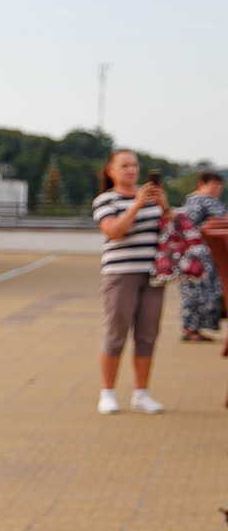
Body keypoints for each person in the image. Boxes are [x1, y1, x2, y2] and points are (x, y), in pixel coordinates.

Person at [92, 150, 166, 414]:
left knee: (147, 335)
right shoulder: (106, 200)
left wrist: (165, 207)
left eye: (134, 165)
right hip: (121, 275)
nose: (131, 170)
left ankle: (141, 393)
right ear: (111, 171)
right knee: (116, 334)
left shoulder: (152, 198)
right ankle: (107, 392)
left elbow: (169, 229)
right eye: (124, 166)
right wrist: (136, 204)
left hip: (153, 275)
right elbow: (113, 231)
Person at [180, 171, 226, 341]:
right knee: (206, 292)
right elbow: (224, 218)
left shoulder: (189, 200)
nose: (217, 189)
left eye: (219, 185)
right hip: (204, 255)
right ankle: (193, 329)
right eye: (213, 184)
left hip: (187, 253)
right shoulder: (207, 201)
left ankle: (190, 329)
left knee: (191, 293)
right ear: (201, 184)